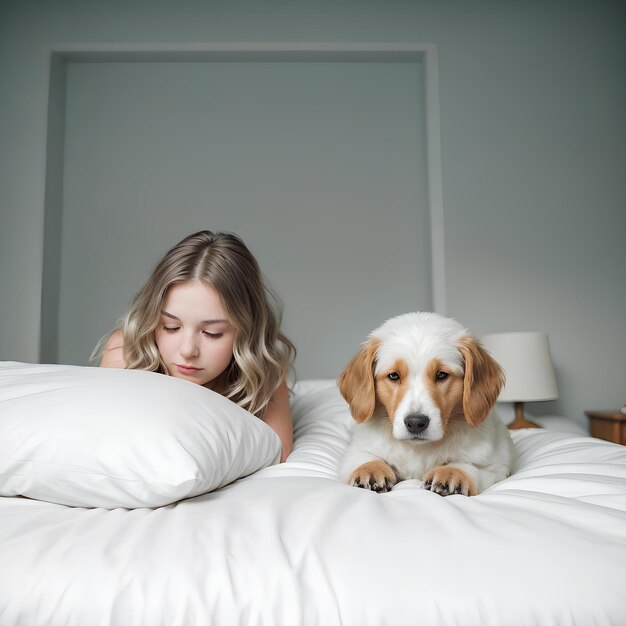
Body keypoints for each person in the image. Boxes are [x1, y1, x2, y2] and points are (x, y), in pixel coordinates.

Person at [97, 230, 296, 462]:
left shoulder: (263, 370)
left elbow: (278, 452)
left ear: (247, 331)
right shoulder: (126, 349)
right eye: (171, 327)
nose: (188, 350)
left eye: (213, 333)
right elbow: (105, 438)